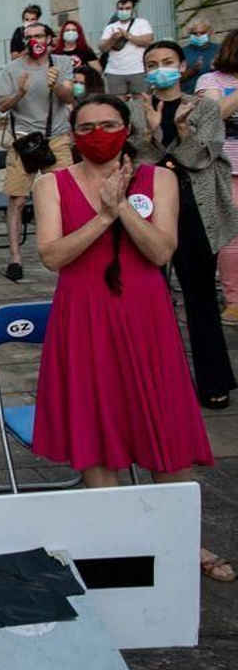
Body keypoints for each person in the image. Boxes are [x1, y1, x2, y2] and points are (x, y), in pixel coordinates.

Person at [31, 95, 232, 583]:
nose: (97, 133)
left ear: (127, 128)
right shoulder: (51, 184)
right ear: (72, 135)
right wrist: (101, 216)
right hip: (84, 316)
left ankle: (180, 535)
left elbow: (161, 250)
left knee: (162, 420)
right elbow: (53, 256)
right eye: (86, 126)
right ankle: (114, 535)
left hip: (144, 315)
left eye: (108, 124)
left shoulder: (159, 178)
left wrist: (122, 210)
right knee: (96, 422)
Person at [132, 41, 237, 409]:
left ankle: (214, 381)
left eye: (167, 62)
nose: (160, 68)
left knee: (200, 298)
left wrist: (180, 129)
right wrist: (151, 131)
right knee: (150, 296)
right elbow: (141, 161)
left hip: (196, 209)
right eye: (152, 63)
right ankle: (157, 381)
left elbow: (200, 157)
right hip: (151, 211)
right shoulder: (138, 108)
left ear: (181, 67)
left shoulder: (204, 106)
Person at [0, 22, 75, 282]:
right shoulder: (11, 69)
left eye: (38, 35)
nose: (34, 41)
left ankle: (67, 252)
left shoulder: (61, 63)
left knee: (65, 195)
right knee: (17, 199)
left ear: (49, 39)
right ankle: (15, 258)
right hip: (24, 140)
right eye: (28, 37)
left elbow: (68, 98)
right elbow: (2, 106)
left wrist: (57, 85)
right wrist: (20, 91)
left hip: (57, 137)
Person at [196, 29, 238, 326]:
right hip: (228, 169)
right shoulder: (210, 82)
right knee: (231, 240)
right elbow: (216, 113)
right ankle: (235, 300)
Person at [100, 0, 155, 94]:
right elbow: (102, 48)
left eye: (127, 8)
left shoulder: (141, 23)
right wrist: (112, 39)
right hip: (114, 72)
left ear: (132, 9)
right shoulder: (110, 27)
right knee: (118, 105)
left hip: (138, 70)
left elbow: (148, 40)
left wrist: (128, 36)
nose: (124, 11)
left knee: (140, 104)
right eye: (121, 9)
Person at [183, 18, 217, 91]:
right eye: (194, 33)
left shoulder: (220, 50)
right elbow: (177, 80)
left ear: (210, 32)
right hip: (189, 96)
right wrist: (194, 70)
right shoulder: (182, 52)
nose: (198, 36)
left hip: (215, 96)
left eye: (202, 33)